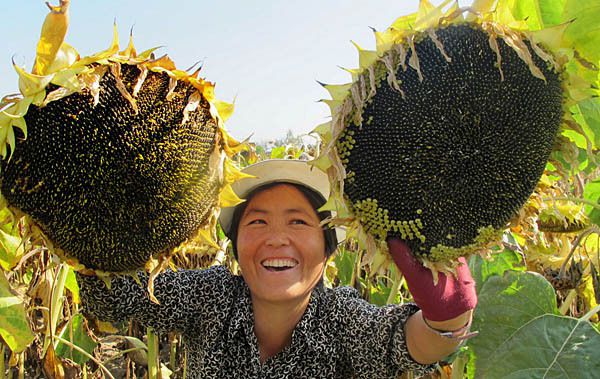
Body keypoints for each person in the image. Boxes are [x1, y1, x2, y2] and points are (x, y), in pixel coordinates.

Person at [79, 159, 478, 378]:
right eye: (257, 222)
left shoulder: (340, 319)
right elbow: (114, 295)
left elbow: (407, 345)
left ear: (327, 251)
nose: (276, 238)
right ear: (236, 248)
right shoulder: (210, 297)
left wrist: (448, 316)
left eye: (298, 222)